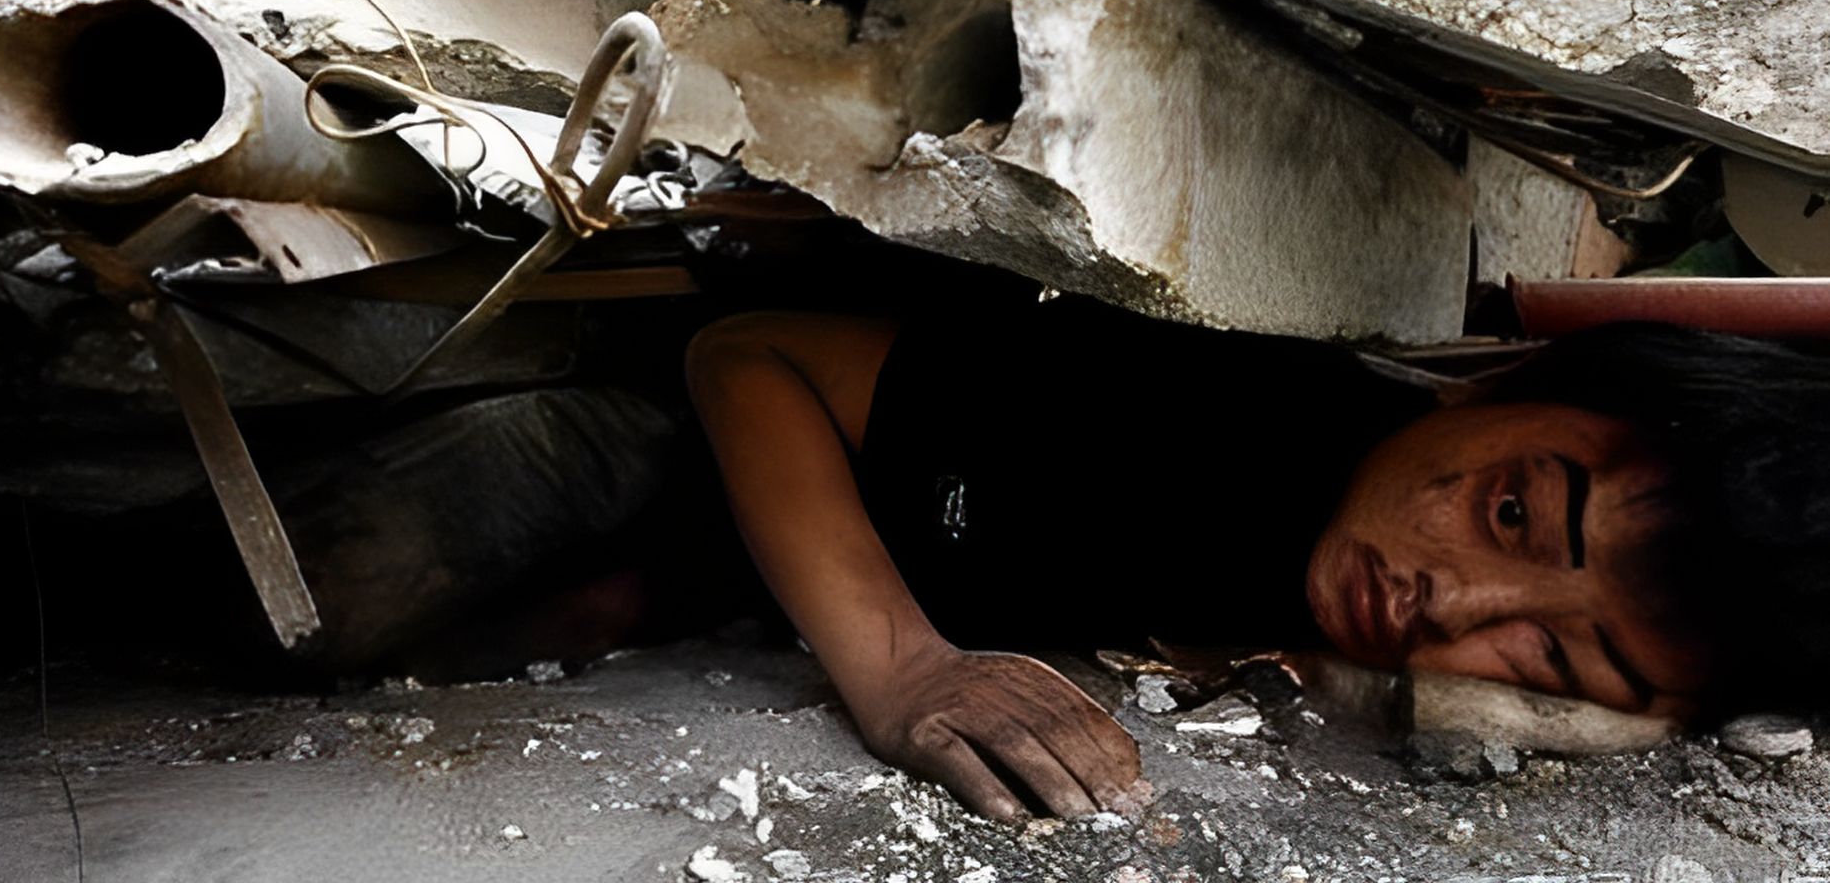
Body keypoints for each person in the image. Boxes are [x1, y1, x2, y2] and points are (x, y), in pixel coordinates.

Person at [685, 296, 1830, 821]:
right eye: (1514, 512)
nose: (1454, 609)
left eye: (1550, 651)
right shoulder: (1210, 391)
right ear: (1512, 378)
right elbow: (749, 351)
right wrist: (901, 665)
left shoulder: (1329, 622)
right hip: (663, 459)